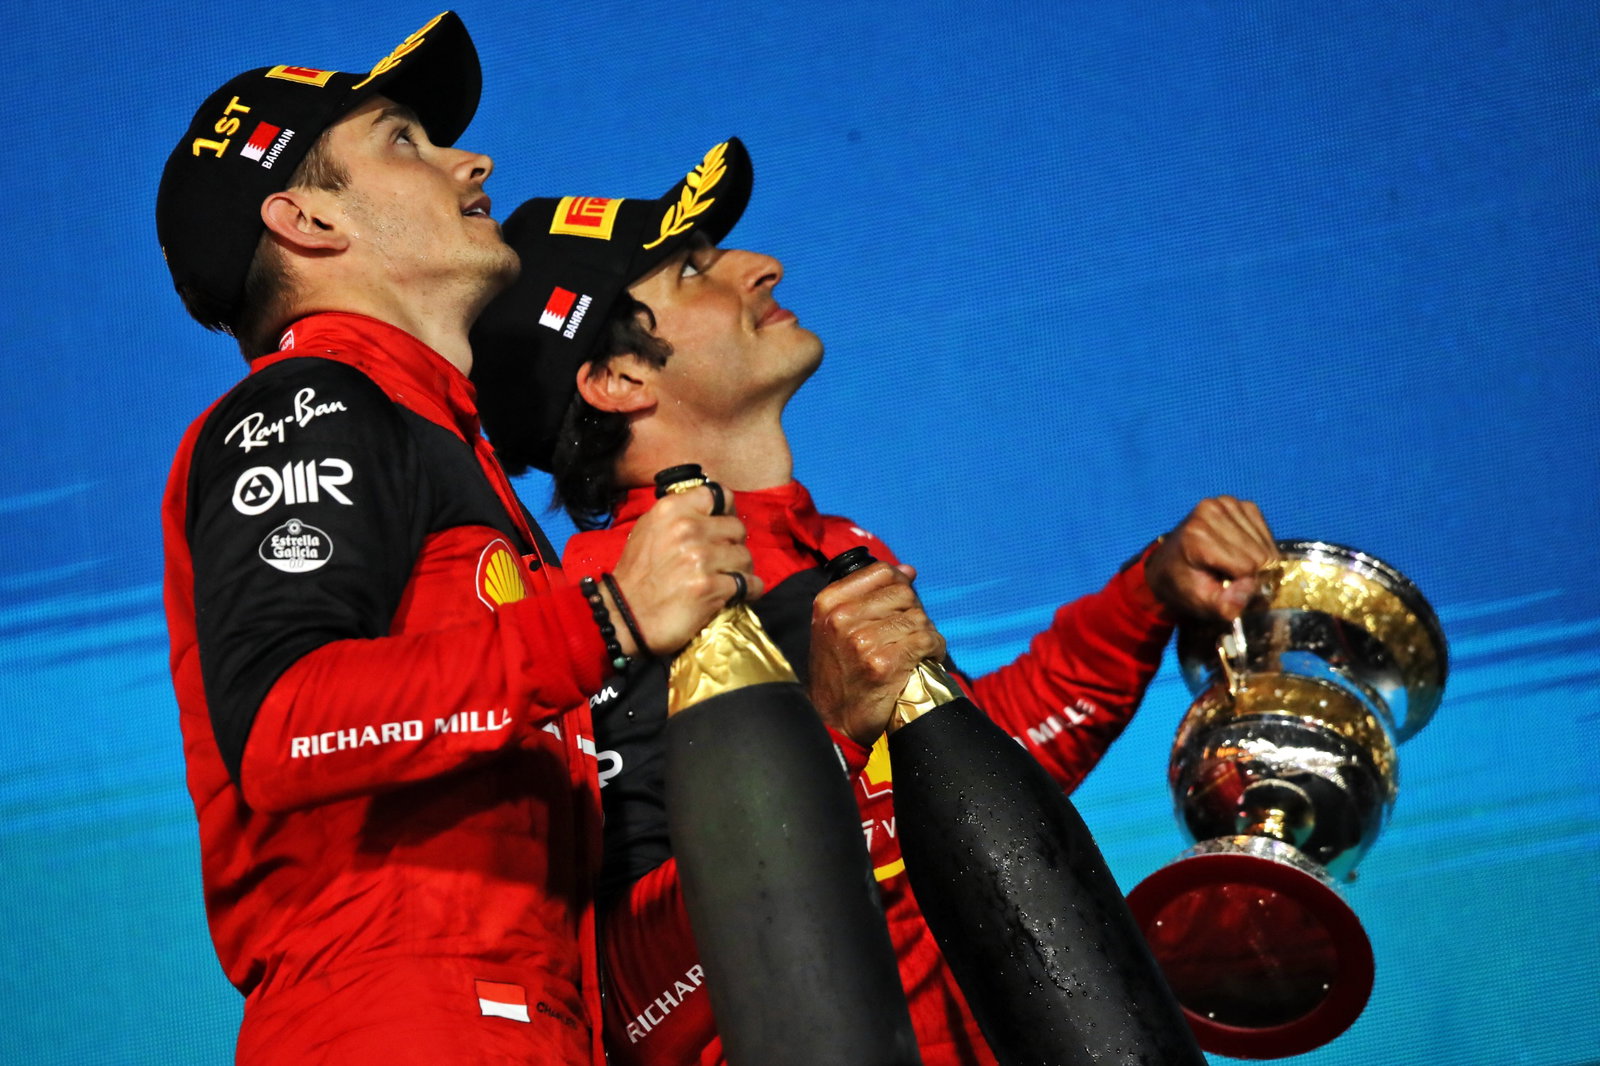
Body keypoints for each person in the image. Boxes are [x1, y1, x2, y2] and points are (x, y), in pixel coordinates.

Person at [469, 137, 1279, 1065]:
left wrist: (1147, 596)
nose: (758, 264)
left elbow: (965, 791)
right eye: (693, 271)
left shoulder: (825, 542)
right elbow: (625, 994)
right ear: (619, 382)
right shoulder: (608, 611)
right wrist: (821, 751)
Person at [155, 16, 754, 1065]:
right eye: (401, 140)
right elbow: (283, 726)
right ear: (304, 220)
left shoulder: (443, 446)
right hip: (391, 1021)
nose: (468, 158)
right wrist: (606, 619)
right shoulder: (310, 401)